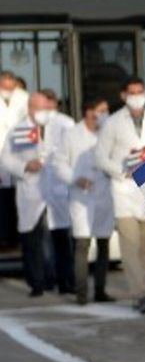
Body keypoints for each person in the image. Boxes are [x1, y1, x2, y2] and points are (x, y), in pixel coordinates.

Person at [97, 77, 145, 313]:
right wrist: (121, 172)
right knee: (130, 246)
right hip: (124, 192)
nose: (137, 96)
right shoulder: (112, 123)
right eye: (132, 92)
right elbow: (100, 157)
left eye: (140, 91)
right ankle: (139, 295)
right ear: (123, 96)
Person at [52, 97, 116, 305]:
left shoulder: (109, 133)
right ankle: (81, 293)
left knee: (104, 243)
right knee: (82, 244)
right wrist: (74, 179)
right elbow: (59, 163)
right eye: (102, 110)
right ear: (90, 112)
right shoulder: (71, 135)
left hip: (105, 194)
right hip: (81, 197)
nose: (105, 114)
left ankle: (100, 290)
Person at [0, 91, 65, 296]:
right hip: (30, 191)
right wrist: (26, 165)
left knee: (55, 237)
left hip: (54, 191)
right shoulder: (17, 131)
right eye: (40, 109)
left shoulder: (58, 127)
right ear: (30, 108)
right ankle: (36, 283)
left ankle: (54, 279)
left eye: (47, 108)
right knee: (33, 239)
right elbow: (6, 160)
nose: (45, 113)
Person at [35, 89, 77, 296]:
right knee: (44, 239)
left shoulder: (66, 124)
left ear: (56, 105)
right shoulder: (30, 125)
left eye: (48, 106)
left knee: (62, 240)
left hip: (61, 191)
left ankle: (66, 280)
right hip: (39, 191)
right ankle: (47, 279)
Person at [0, 71, 29, 250]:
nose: (8, 90)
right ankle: (4, 238)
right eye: (5, 87)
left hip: (19, 155)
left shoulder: (24, 98)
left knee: (18, 199)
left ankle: (18, 238)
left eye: (11, 87)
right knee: (2, 200)